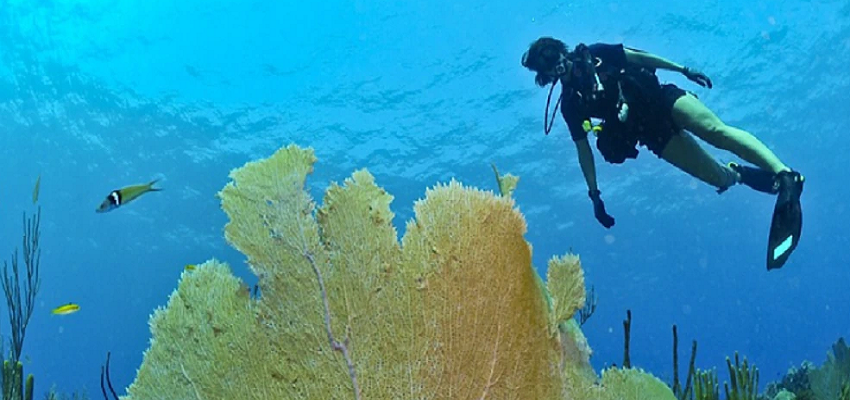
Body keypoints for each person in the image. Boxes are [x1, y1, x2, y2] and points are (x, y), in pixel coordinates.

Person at [520, 37, 804, 270]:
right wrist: (594, 195)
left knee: (714, 131)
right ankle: (739, 173)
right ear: (542, 76)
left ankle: (785, 175)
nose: (550, 62)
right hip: (651, 134)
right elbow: (584, 151)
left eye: (548, 53)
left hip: (663, 98)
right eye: (541, 64)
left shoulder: (596, 54)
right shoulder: (571, 105)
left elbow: (639, 58)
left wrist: (683, 69)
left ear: (559, 48)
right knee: (718, 178)